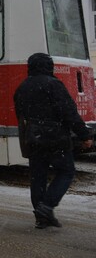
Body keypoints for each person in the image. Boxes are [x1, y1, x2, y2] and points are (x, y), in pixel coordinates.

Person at [13, 53, 93, 229]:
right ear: (49, 66)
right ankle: (47, 207)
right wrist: (84, 135)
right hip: (56, 138)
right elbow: (68, 112)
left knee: (38, 177)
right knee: (66, 171)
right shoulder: (53, 84)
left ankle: (41, 217)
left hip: (33, 138)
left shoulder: (23, 87)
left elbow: (20, 114)